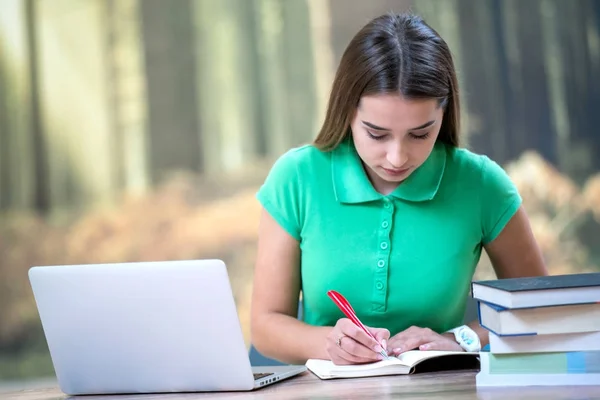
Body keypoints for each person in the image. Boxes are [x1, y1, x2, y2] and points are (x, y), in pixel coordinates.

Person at [250, 12, 547, 366]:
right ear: (346, 112)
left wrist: (461, 339)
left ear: (445, 113)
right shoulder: (297, 178)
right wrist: (329, 342)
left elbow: (539, 310)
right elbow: (266, 326)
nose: (397, 157)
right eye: (376, 134)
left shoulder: (482, 184)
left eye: (420, 134)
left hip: (445, 389)